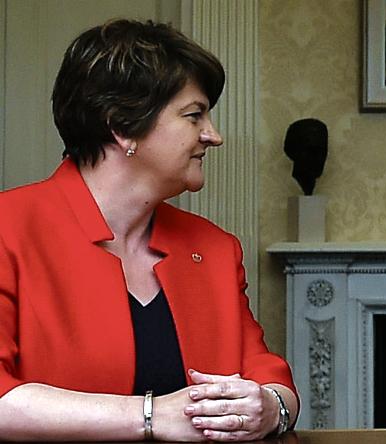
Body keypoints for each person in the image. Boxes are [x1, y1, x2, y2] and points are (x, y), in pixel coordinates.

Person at [0, 19, 298, 441]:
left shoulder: (214, 247)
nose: (213, 135)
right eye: (195, 116)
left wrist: (272, 408)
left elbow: (267, 375)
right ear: (122, 127)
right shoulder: (8, 229)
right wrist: (151, 416)